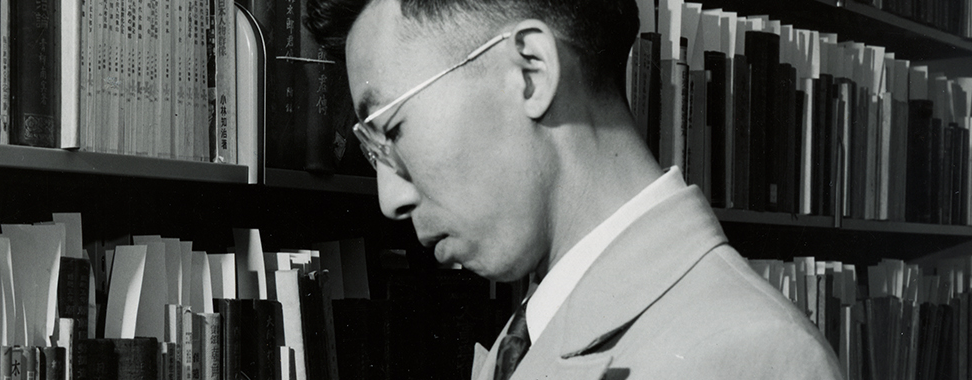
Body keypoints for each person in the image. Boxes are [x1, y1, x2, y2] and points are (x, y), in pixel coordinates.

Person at [306, 0, 843, 379]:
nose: (389, 197)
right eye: (371, 150)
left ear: (530, 71)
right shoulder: (528, 330)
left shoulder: (745, 353)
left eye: (392, 130)